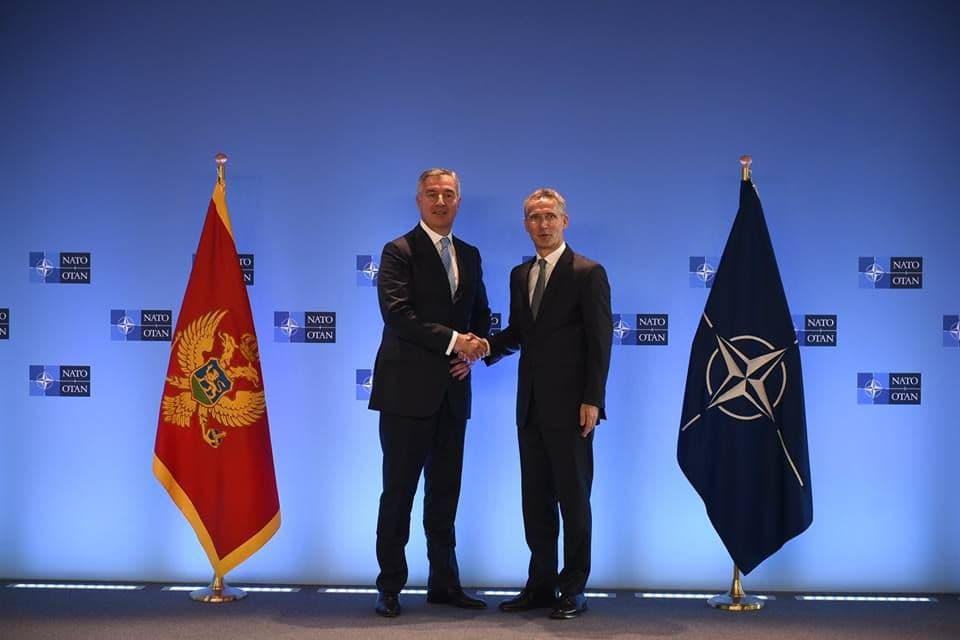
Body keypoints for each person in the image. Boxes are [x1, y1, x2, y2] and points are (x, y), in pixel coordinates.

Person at [483, 187, 612, 620]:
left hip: (573, 409)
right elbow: (520, 333)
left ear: (564, 221)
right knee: (535, 502)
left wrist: (593, 399)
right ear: (526, 225)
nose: (543, 224)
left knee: (574, 502)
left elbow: (600, 342)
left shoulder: (587, 272)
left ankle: (573, 588)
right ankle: (540, 586)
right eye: (535, 217)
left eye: (550, 216)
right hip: (530, 408)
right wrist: (484, 348)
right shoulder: (520, 275)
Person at [369, 168, 491, 618]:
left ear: (458, 201)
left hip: (453, 394)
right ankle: (389, 586)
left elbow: (481, 313)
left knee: (445, 496)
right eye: (433, 194)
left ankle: (445, 584)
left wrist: (475, 348)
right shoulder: (398, 251)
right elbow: (398, 314)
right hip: (405, 395)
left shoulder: (470, 254)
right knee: (398, 494)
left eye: (449, 194)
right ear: (419, 200)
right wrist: (455, 342)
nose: (441, 201)